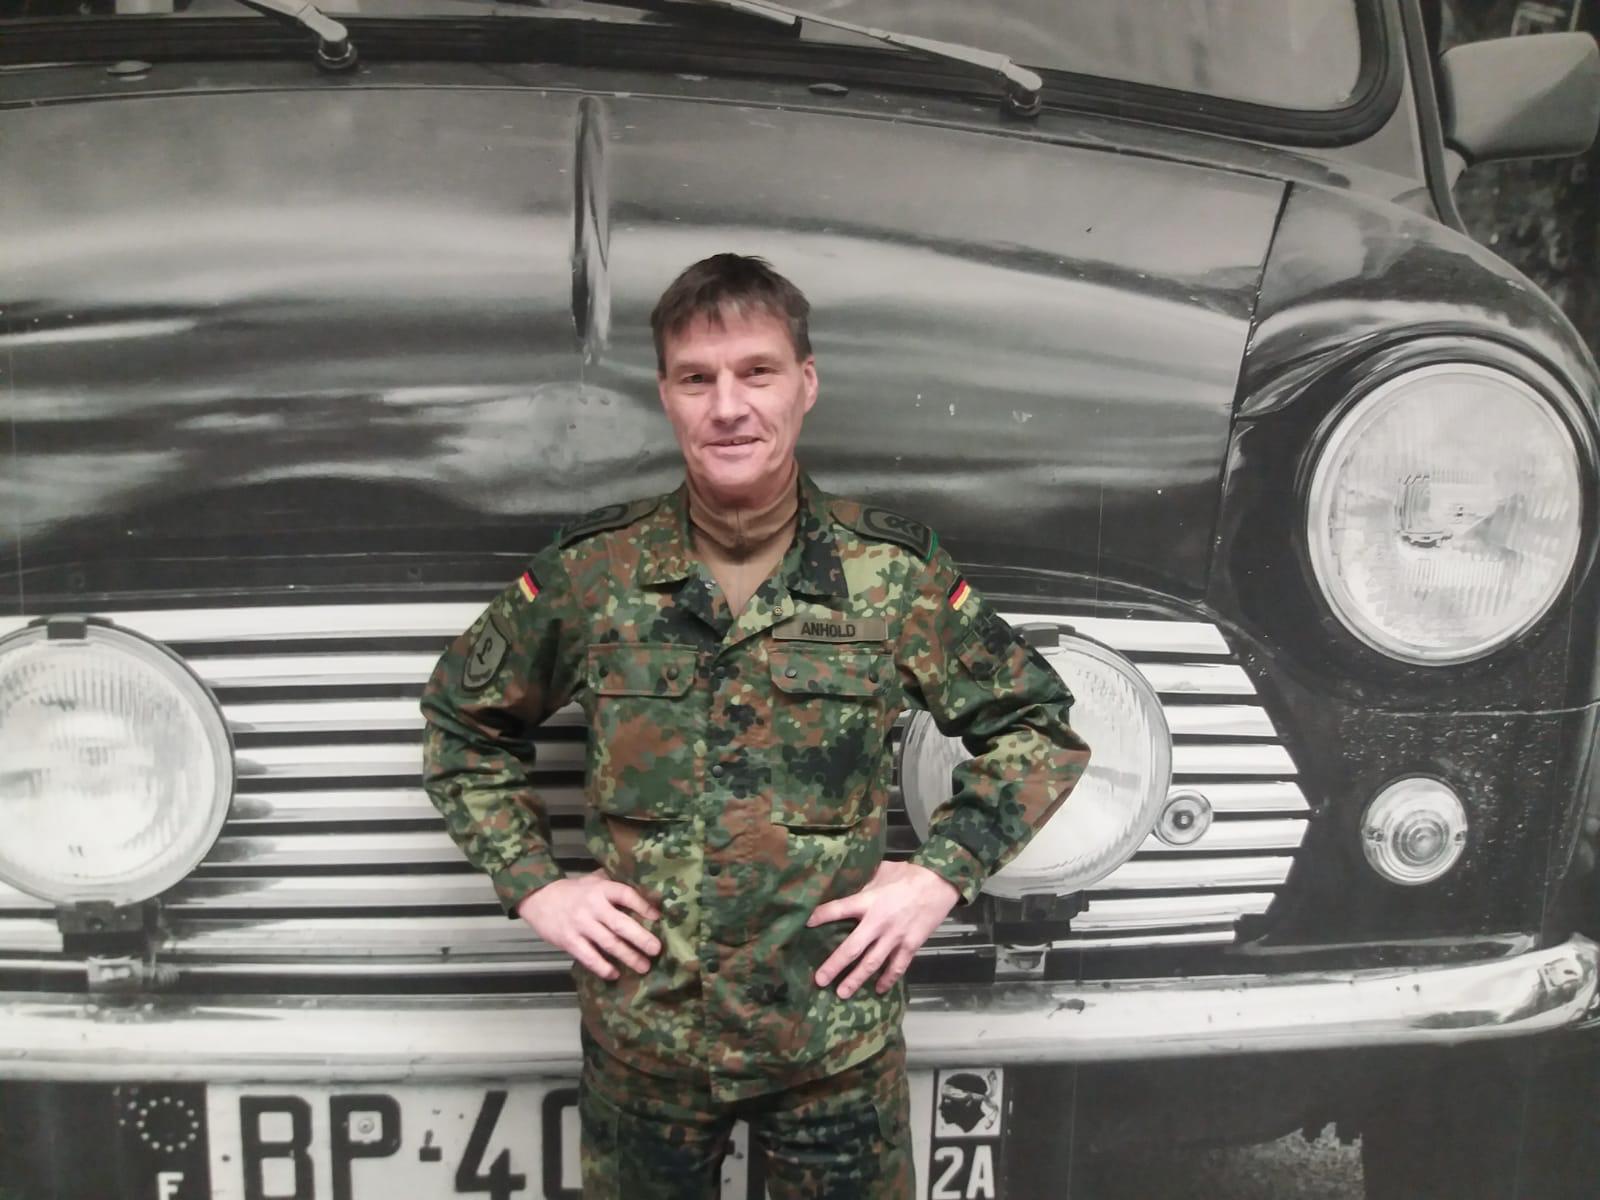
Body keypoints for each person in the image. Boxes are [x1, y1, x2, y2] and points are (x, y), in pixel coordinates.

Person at [420, 253, 1091, 1199]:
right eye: (697, 378)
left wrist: (941, 875)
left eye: (757, 372)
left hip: (833, 1048)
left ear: (805, 384)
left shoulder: (889, 573)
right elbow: (462, 725)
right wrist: (537, 886)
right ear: (666, 395)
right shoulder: (595, 574)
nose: (728, 406)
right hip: (646, 1048)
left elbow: (1038, 729)